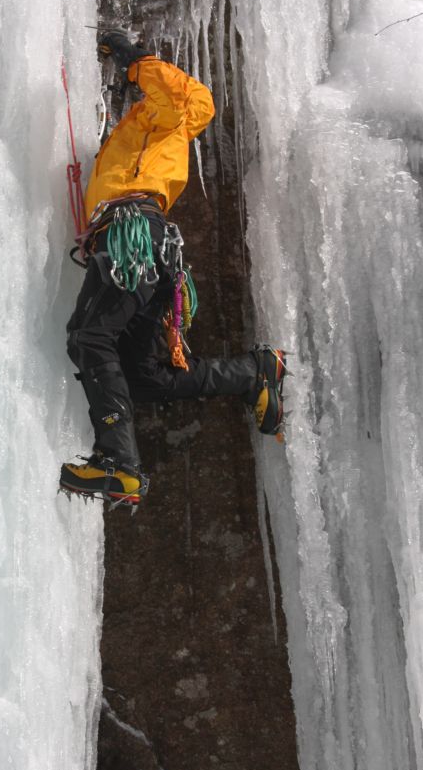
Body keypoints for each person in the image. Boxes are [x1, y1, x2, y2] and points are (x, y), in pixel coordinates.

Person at [60, 30, 286, 508]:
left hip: (131, 234)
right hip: (151, 247)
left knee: (89, 336)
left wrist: (134, 59)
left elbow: (183, 94)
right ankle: (251, 373)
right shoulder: (149, 136)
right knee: (142, 378)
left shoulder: (166, 119)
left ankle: (118, 462)